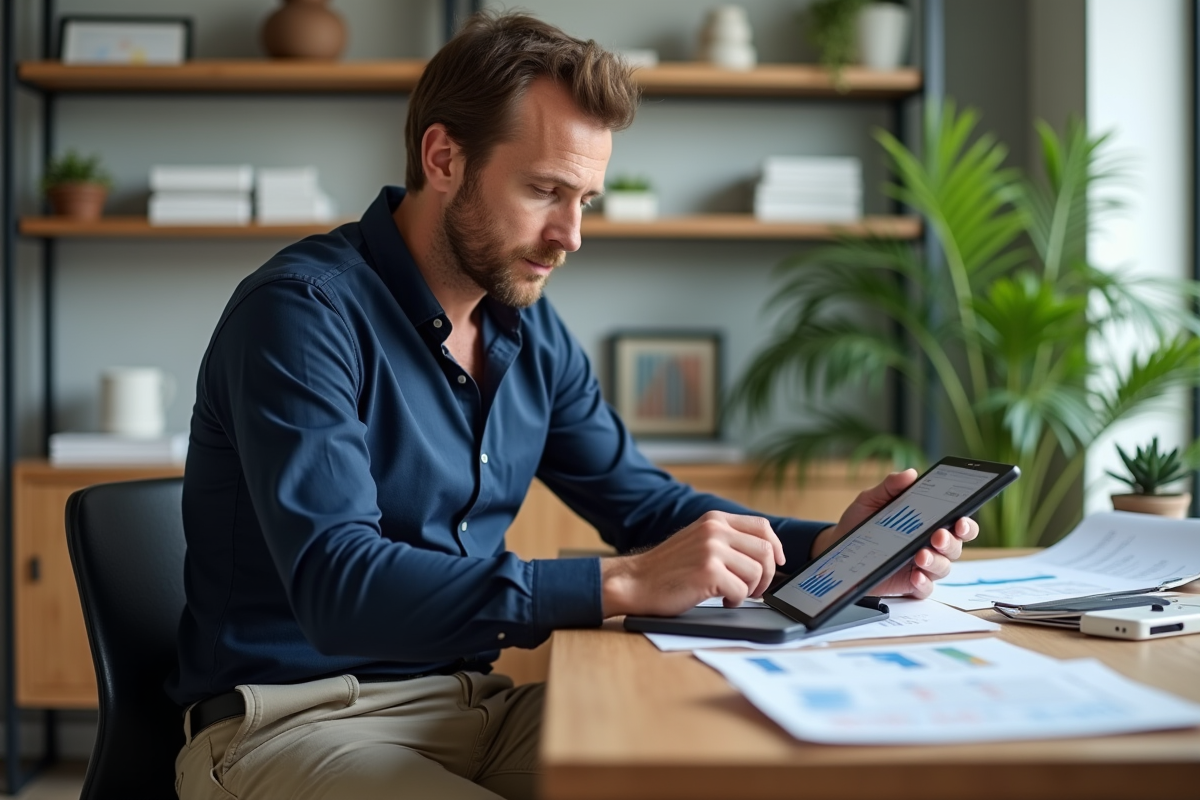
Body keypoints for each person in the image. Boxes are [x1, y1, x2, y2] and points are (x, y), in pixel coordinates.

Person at [169, 11, 978, 800]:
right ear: (444, 157)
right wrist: (617, 585)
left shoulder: (526, 328)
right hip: (291, 725)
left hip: (474, 707)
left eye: (585, 199)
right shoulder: (303, 313)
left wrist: (835, 548)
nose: (571, 235)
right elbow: (339, 588)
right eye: (545, 190)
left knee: (735, 763)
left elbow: (645, 506)